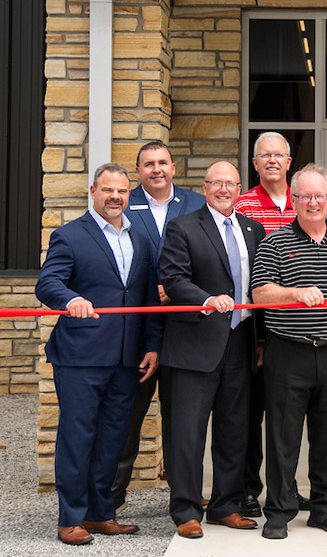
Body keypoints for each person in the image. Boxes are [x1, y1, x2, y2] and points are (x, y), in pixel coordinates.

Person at [35, 163, 160, 546]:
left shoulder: (140, 238)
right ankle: (70, 518)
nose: (115, 197)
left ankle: (100, 512)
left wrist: (153, 345)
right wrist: (71, 299)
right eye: (108, 190)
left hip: (126, 359)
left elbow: (147, 296)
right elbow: (48, 283)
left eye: (122, 191)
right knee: (77, 436)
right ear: (93, 191)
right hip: (81, 358)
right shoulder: (70, 236)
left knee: (112, 438)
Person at [251, 163, 327, 540]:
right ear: (295, 200)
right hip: (288, 351)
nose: (313, 202)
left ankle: (324, 507)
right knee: (283, 435)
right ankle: (280, 510)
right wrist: (294, 295)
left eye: (320, 196)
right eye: (305, 196)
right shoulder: (275, 243)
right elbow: (260, 294)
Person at [158, 161, 265, 539]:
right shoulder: (183, 226)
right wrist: (206, 298)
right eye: (216, 183)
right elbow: (172, 279)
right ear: (204, 188)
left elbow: (260, 287)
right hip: (194, 344)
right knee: (188, 432)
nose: (224, 189)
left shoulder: (253, 229)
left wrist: (263, 340)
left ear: (240, 188)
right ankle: (186, 509)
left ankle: (224, 505)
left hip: (241, 341)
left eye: (230, 183)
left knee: (235, 429)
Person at [111, 141, 205, 512]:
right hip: (137, 331)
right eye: (148, 164)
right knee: (127, 419)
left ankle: (186, 498)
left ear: (174, 166)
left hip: (187, 329)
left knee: (181, 421)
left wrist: (183, 289)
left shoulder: (197, 204)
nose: (156, 169)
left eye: (162, 162)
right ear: (138, 172)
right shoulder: (122, 205)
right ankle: (111, 499)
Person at [233, 131, 300, 517]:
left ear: (289, 162)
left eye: (279, 155)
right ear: (255, 164)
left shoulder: (307, 202)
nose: (272, 161)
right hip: (255, 328)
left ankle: (287, 489)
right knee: (251, 413)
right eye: (264, 155)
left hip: (298, 330)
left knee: (287, 416)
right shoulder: (240, 206)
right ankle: (247, 489)